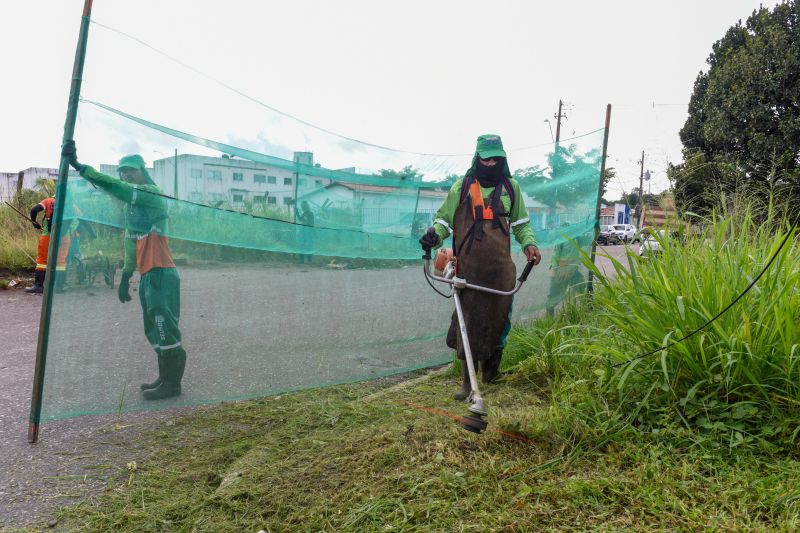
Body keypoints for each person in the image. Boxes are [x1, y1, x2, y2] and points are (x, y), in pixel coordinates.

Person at [62, 140, 187, 401]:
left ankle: (172, 384)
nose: (126, 175)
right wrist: (126, 276)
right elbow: (130, 242)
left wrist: (80, 166)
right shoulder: (133, 209)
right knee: (152, 327)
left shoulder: (151, 194)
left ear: (142, 171)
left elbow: (116, 188)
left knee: (165, 326)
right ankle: (165, 377)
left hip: (162, 273)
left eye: (131, 170)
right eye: (123, 171)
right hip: (147, 275)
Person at [420, 134, 541, 400]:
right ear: (477, 158)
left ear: (503, 158)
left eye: (496, 159)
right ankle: (467, 383)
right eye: (486, 160)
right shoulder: (461, 188)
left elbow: (521, 224)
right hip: (469, 269)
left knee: (500, 320)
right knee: (468, 323)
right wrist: (434, 235)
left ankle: (492, 373)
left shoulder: (511, 188)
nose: (491, 164)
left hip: (500, 270)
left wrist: (529, 244)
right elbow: (444, 222)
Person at [26, 195, 70, 294]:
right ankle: (60, 286)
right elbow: (78, 219)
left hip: (48, 235)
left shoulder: (49, 201)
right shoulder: (71, 204)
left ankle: (39, 286)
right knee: (61, 261)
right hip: (65, 237)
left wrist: (34, 222)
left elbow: (34, 210)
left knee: (42, 260)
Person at [296, 200, 315, 264]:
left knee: (309, 246)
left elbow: (311, 224)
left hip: (308, 232)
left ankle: (309, 260)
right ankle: (301, 260)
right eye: (302, 206)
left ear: (306, 206)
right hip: (303, 232)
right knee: (302, 245)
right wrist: (296, 212)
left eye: (303, 206)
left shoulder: (310, 213)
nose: (302, 207)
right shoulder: (304, 213)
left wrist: (308, 229)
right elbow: (300, 219)